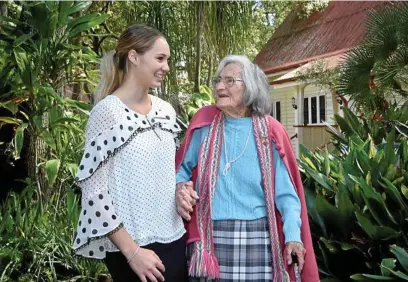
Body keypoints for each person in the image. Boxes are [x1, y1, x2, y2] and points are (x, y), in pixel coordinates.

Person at [175, 55, 320, 282]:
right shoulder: (203, 125)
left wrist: (293, 236)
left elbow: (287, 196)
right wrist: (180, 187)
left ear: (250, 87)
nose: (220, 86)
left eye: (230, 81)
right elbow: (180, 169)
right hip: (210, 240)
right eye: (218, 80)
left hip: (257, 239)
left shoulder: (270, 131)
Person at [72, 24, 188, 282]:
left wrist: (183, 188)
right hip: (132, 250)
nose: (166, 67)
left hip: (176, 239)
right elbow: (94, 193)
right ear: (134, 57)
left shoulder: (166, 111)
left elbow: (171, 171)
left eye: (167, 59)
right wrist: (133, 252)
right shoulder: (106, 113)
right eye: (160, 58)